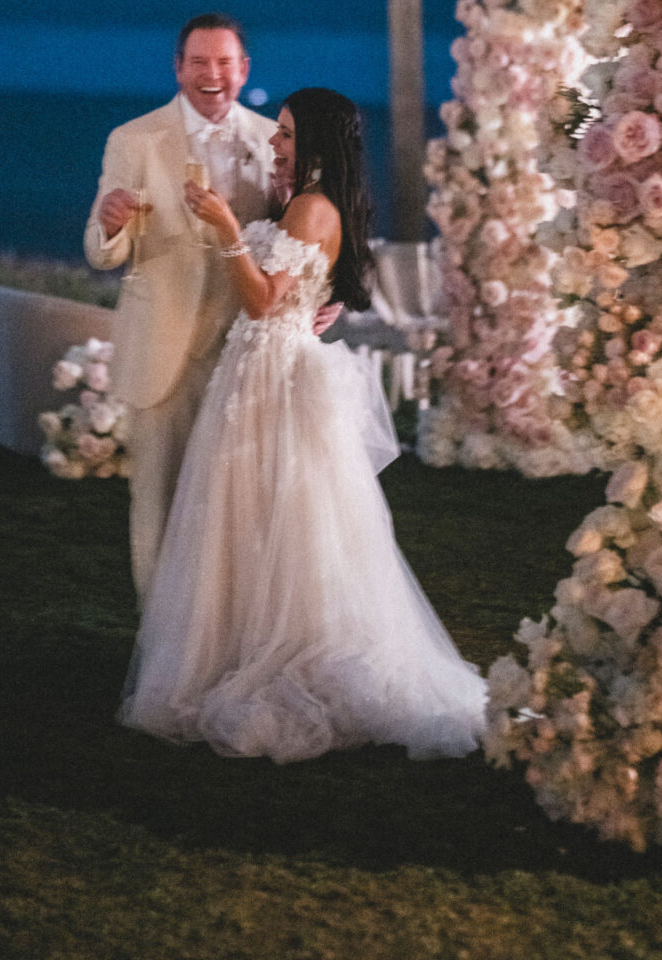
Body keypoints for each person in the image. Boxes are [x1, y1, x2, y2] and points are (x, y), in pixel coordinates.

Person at [121, 88, 487, 762]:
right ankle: (241, 641)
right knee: (252, 516)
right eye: (279, 132)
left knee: (277, 515)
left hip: (271, 374)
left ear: (317, 142)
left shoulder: (312, 209)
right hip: (256, 371)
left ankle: (281, 653)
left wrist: (228, 229)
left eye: (287, 134)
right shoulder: (303, 203)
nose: (277, 143)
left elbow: (262, 304)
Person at [83, 14, 278, 604]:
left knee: (244, 502)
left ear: (244, 70)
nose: (211, 75)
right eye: (198, 62)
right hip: (163, 348)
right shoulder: (133, 139)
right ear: (178, 68)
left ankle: (228, 633)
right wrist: (110, 223)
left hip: (245, 350)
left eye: (224, 62)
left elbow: (304, 233)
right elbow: (99, 250)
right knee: (159, 505)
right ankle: (160, 646)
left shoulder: (275, 141)